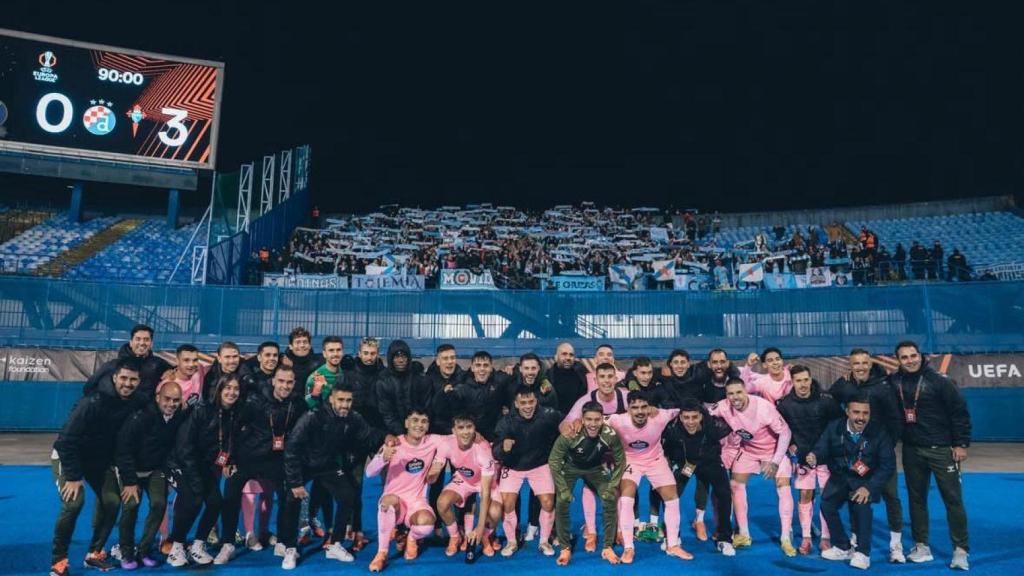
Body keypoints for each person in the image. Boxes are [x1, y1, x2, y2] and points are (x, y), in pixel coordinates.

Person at [50, 358, 143, 576]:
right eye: (123, 378)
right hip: (68, 456)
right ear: (114, 378)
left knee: (112, 501)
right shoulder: (92, 402)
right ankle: (59, 560)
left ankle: (94, 553)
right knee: (74, 504)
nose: (128, 383)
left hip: (98, 461)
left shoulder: (134, 403)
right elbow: (65, 441)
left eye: (133, 380)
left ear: (139, 381)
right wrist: (73, 476)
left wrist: (130, 480)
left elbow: (123, 445)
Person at [283, 384, 388, 568]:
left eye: (348, 401)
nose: (344, 405)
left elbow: (368, 435)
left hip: (327, 465)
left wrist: (386, 437)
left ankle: (336, 543)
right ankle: (291, 548)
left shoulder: (353, 418)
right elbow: (292, 447)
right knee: (292, 499)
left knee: (348, 496)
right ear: (331, 399)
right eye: (340, 400)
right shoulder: (312, 417)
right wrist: (295, 482)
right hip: (304, 464)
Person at [889, 341, 971, 570]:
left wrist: (961, 444)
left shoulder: (939, 381)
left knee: (952, 500)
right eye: (904, 357)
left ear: (920, 355)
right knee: (917, 500)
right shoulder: (895, 381)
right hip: (912, 450)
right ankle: (921, 545)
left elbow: (959, 413)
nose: (910, 360)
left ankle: (960, 550)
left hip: (942, 450)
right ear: (898, 360)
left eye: (913, 355)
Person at [217, 366, 307, 565]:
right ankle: (228, 544)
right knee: (230, 493)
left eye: (289, 382)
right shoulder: (254, 400)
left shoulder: (298, 403)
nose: (285, 386)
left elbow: (304, 432)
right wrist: (229, 458)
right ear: (273, 381)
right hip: (248, 457)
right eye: (281, 381)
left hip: (277, 460)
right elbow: (234, 427)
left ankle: (286, 543)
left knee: (291, 496)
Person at [830, 349, 906, 562]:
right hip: (855, 455)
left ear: (870, 364)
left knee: (891, 497)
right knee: (856, 497)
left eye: (865, 363)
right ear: (850, 365)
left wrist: (884, 448)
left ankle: (895, 546)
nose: (861, 367)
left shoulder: (884, 386)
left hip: (881, 454)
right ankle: (856, 542)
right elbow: (831, 402)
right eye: (857, 363)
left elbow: (895, 420)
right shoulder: (844, 385)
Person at [807, 395, 896, 570]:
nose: (861, 418)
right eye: (856, 412)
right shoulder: (834, 427)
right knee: (827, 505)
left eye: (865, 413)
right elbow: (822, 447)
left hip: (865, 480)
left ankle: (863, 553)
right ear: (847, 412)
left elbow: (888, 465)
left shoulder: (879, 431)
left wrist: (869, 487)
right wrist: (815, 456)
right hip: (840, 477)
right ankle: (843, 546)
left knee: (861, 507)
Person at [165, 374, 242, 567]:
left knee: (215, 502)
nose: (232, 392)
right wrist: (195, 479)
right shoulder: (201, 410)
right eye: (228, 388)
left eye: (236, 389)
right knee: (193, 499)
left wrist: (229, 460)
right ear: (219, 390)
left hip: (204, 465)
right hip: (180, 463)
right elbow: (185, 447)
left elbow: (225, 442)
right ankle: (176, 547)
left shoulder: (232, 413)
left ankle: (197, 545)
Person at [710, 378, 794, 554]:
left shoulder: (764, 408)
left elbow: (785, 433)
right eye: (731, 393)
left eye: (739, 392)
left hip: (773, 451)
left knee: (783, 487)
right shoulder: (724, 406)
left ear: (746, 391)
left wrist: (775, 461)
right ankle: (744, 534)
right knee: (735, 485)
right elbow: (703, 413)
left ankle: (786, 537)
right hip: (749, 451)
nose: (735, 397)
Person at [607, 391, 692, 562]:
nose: (640, 411)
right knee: (626, 499)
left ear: (649, 407)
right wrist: (575, 422)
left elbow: (681, 410)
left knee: (672, 498)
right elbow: (592, 420)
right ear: (628, 409)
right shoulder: (617, 420)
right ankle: (629, 548)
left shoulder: (660, 416)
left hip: (655, 460)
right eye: (635, 407)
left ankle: (673, 545)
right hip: (630, 460)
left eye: (644, 406)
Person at [114, 381, 185, 569]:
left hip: (155, 470)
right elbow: (123, 450)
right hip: (131, 471)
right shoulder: (140, 417)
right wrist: (129, 481)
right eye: (167, 399)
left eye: (176, 400)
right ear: (157, 398)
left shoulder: (178, 416)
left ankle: (144, 550)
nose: (171, 404)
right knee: (131, 506)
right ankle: (126, 552)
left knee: (159, 504)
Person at [366, 407, 447, 572]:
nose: (419, 425)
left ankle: (411, 537)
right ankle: (382, 553)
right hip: (395, 500)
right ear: (406, 423)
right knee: (387, 502)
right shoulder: (394, 444)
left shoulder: (433, 440)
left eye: (424, 421)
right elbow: (369, 473)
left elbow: (456, 438)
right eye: (415, 420)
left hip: (417, 502)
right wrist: (382, 458)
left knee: (426, 525)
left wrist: (480, 438)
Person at [775, 365, 844, 555]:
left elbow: (839, 427)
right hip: (803, 460)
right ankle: (806, 537)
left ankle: (826, 537)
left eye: (806, 379)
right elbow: (782, 430)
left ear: (810, 379)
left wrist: (827, 451)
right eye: (798, 380)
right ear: (792, 382)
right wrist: (791, 445)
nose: (803, 384)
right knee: (805, 495)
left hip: (826, 458)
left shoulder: (827, 401)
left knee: (827, 496)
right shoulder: (785, 405)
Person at [561, 363, 628, 551]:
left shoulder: (625, 397)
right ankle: (591, 532)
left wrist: (652, 411)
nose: (607, 380)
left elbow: (643, 411)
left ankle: (620, 530)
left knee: (620, 490)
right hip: (593, 454)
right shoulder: (585, 400)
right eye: (603, 377)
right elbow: (564, 424)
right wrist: (571, 428)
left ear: (616, 378)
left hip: (618, 453)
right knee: (589, 489)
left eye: (610, 376)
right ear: (596, 380)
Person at [549, 401, 626, 565]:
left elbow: (621, 460)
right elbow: (554, 460)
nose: (593, 424)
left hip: (595, 468)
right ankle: (564, 548)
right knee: (562, 500)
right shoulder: (571, 433)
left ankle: (607, 547)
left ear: (602, 419)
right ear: (582, 420)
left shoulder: (610, 434)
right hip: (570, 468)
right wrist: (562, 489)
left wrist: (612, 486)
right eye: (589, 419)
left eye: (597, 420)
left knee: (610, 497)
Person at [492, 385, 562, 557]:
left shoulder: (548, 415)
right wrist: (503, 448)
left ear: (536, 401)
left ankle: (544, 541)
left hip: (539, 465)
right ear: (516, 404)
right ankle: (511, 542)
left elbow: (567, 422)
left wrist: (571, 425)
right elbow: (495, 451)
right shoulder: (506, 421)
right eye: (523, 402)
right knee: (507, 503)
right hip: (513, 466)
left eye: (531, 401)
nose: (528, 406)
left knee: (547, 502)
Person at [661, 398, 735, 556]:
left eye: (694, 417)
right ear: (680, 417)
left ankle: (725, 538)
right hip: (687, 464)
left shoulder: (715, 426)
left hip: (710, 462)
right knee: (670, 494)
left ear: (701, 416)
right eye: (686, 418)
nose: (690, 422)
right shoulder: (672, 429)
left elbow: (735, 434)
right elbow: (666, 449)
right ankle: (672, 535)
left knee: (724, 493)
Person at [436, 414, 501, 557]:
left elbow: (485, 493)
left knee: (495, 511)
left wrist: (479, 527)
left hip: (486, 483)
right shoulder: (446, 443)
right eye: (461, 428)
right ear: (453, 431)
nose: (465, 432)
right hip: (464, 480)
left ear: (475, 429)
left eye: (469, 427)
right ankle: (455, 536)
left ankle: (484, 535)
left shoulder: (483, 451)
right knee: (442, 502)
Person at [83, 325, 171, 397]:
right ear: (131, 342)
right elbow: (89, 388)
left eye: (146, 339)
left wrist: (170, 374)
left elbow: (177, 373)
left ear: (151, 344)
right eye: (138, 339)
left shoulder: (158, 364)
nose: (142, 343)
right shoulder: (112, 365)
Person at [280, 327, 325, 399]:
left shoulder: (320, 362)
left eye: (305, 342)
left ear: (310, 345)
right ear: (290, 346)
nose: (302, 345)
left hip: (312, 403)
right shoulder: (282, 361)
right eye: (298, 342)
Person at [548, 342, 589, 416]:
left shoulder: (581, 371)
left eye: (571, 355)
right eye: (564, 354)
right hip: (556, 418)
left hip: (579, 417)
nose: (568, 358)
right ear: (556, 357)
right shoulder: (548, 375)